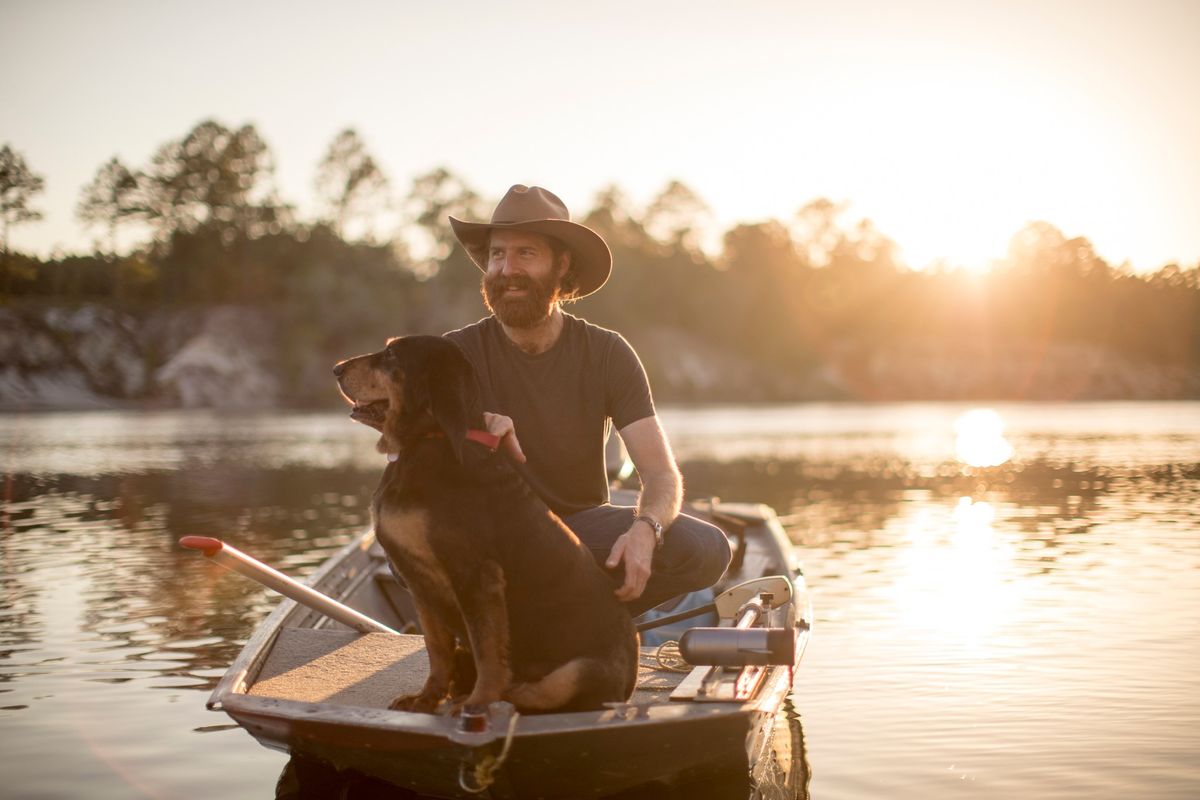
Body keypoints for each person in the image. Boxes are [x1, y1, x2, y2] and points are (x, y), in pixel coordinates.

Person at [444, 184, 731, 617]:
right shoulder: (455, 354)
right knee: (411, 541)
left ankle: (582, 624)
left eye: (526, 253)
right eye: (498, 254)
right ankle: (516, 626)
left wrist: (645, 530)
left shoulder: (607, 353)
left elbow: (660, 475)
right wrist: (468, 431)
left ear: (562, 265)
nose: (506, 268)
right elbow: (402, 446)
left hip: (579, 533)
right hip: (487, 534)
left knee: (706, 547)